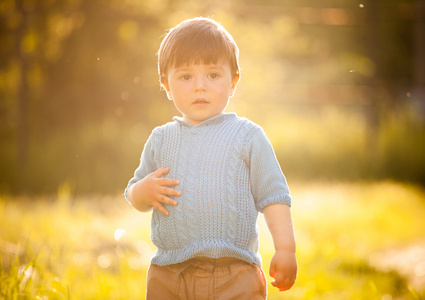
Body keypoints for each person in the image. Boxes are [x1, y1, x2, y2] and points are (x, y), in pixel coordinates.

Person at [125, 17, 297, 300]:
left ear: (233, 82)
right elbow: (134, 193)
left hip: (235, 274)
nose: (200, 86)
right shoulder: (160, 139)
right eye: (185, 76)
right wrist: (142, 191)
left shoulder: (248, 136)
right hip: (169, 275)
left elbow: (274, 195)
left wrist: (285, 249)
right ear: (166, 84)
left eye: (213, 75)